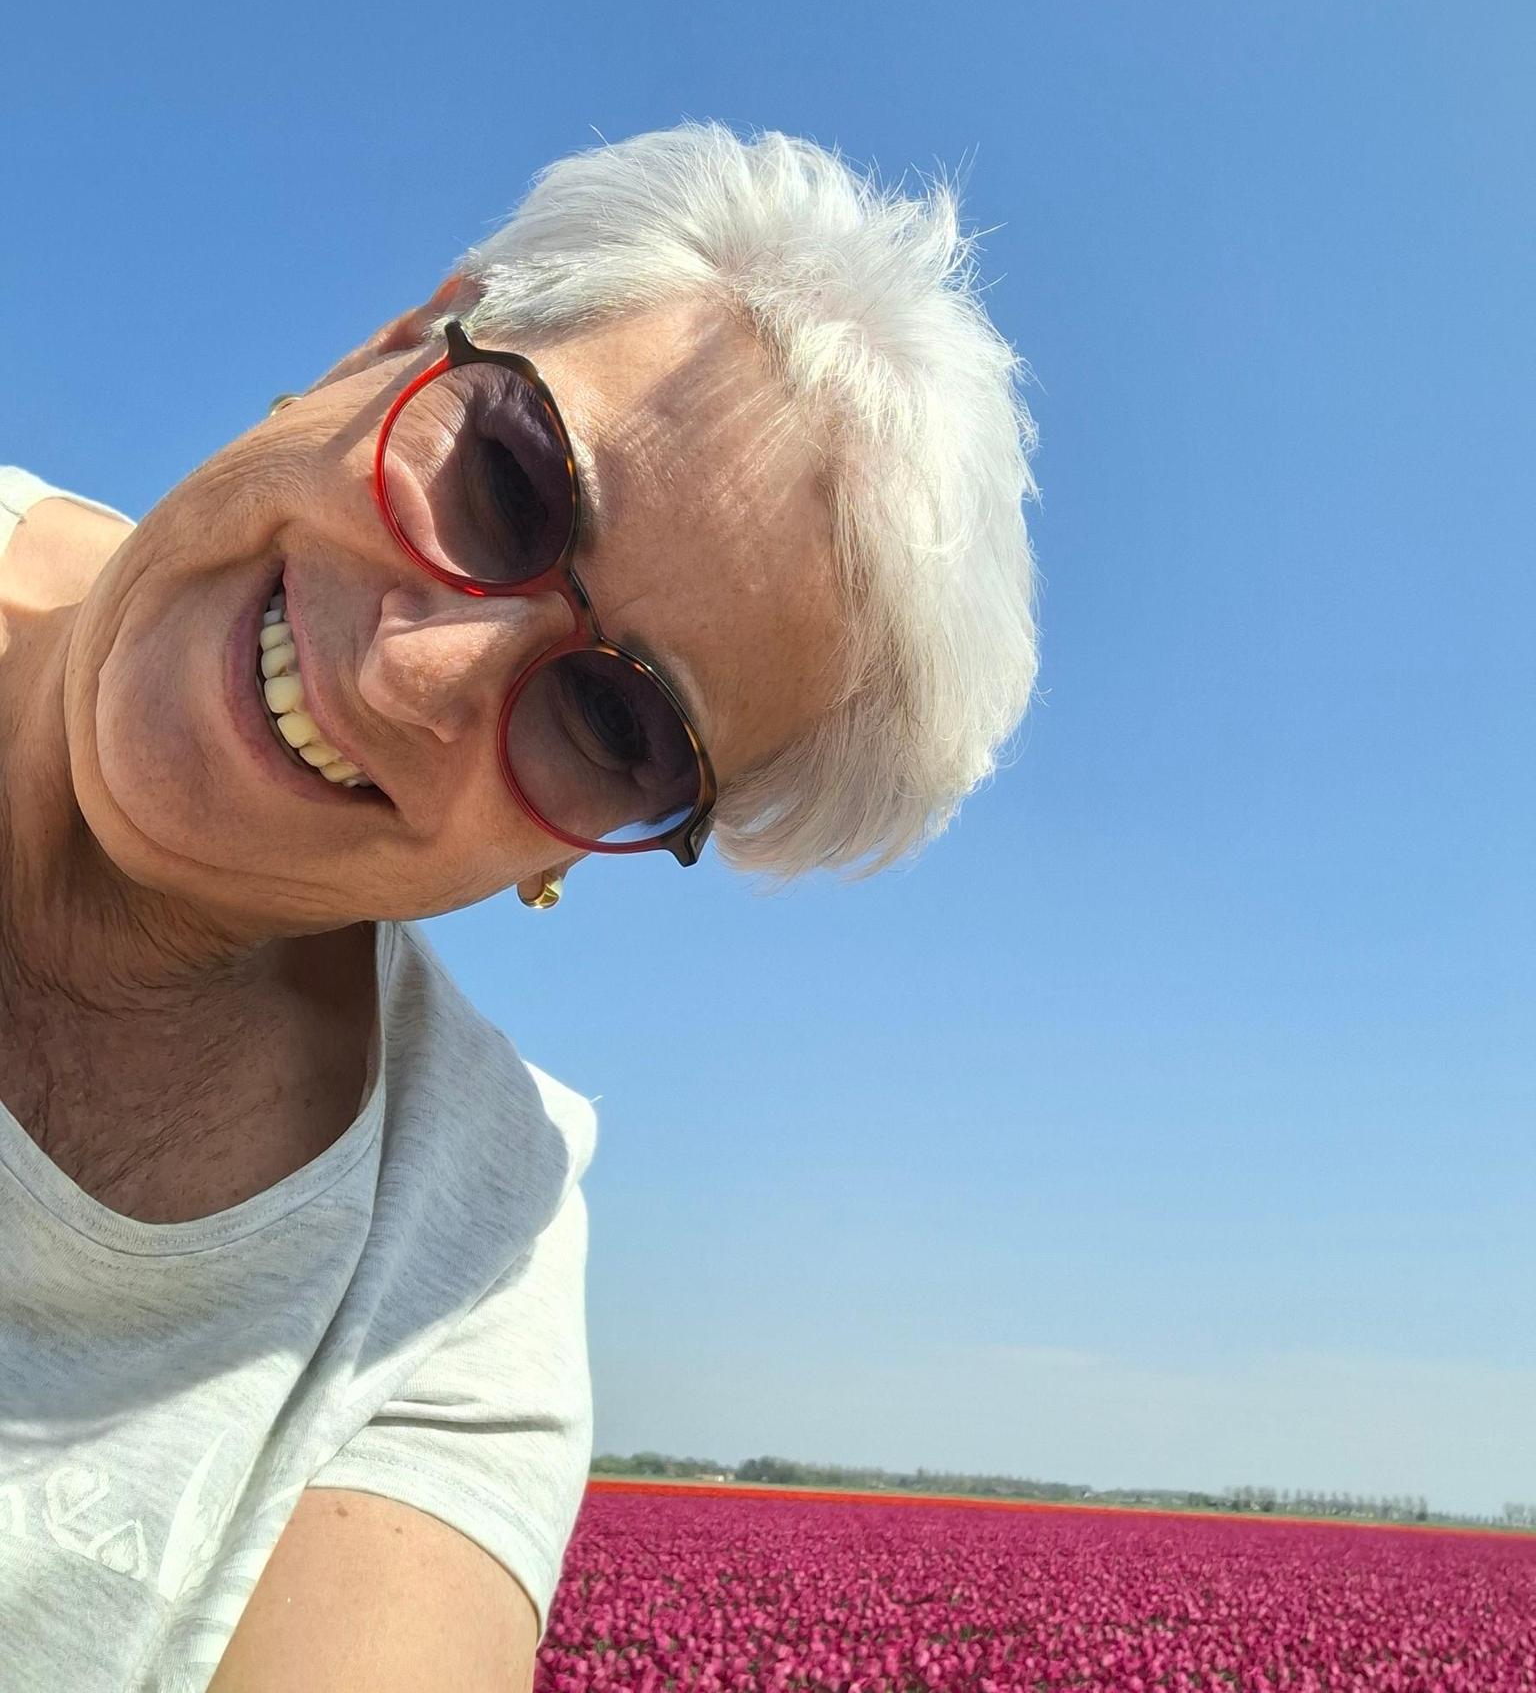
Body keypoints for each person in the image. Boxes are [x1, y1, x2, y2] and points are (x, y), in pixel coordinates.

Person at [0, 122, 1041, 1691]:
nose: (412, 673)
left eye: (615, 723)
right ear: (393, 345)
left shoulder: (456, 1282)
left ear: (577, 853)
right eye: (507, 478)